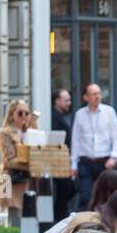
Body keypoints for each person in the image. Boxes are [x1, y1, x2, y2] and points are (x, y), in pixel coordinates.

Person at [70, 83, 117, 209]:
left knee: (107, 196)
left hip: (104, 160)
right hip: (85, 161)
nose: (97, 97)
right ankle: (83, 223)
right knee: (85, 196)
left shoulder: (109, 112)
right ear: (86, 97)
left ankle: (107, 222)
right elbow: (76, 140)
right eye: (94, 94)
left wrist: (114, 157)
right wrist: (73, 164)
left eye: (99, 93)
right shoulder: (80, 114)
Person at [0, 100, 32, 228]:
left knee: (29, 220)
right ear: (12, 114)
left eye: (27, 113)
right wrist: (31, 164)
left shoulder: (30, 132)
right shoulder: (6, 132)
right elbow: (9, 160)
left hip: (27, 180)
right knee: (15, 221)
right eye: (20, 113)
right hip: (11, 179)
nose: (24, 116)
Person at [50, 89, 75, 223]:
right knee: (62, 193)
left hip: (64, 160)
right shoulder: (54, 117)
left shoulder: (63, 116)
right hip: (59, 162)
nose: (69, 103)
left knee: (65, 192)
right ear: (57, 101)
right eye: (66, 100)